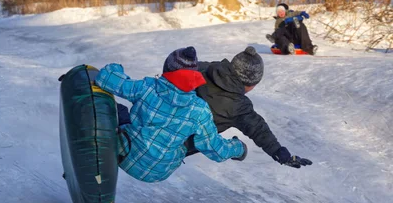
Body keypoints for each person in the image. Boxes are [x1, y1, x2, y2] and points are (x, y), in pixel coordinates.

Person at [94, 47, 247, 183]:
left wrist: (116, 68)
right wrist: (238, 148)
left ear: (167, 69)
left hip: (125, 156)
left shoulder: (147, 87)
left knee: (118, 109)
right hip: (160, 173)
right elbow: (216, 150)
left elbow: (105, 78)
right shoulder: (200, 110)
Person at [184, 46, 313, 169]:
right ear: (251, 84)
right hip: (174, 149)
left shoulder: (206, 68)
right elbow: (257, 129)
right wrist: (280, 153)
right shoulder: (238, 106)